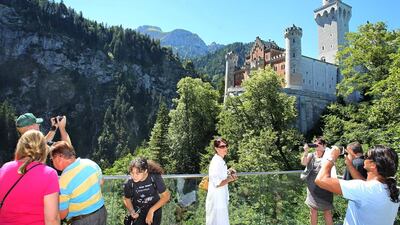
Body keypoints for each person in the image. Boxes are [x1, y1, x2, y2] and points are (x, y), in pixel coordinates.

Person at [315, 145, 399, 225]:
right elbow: (365, 183)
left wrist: (332, 157)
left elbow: (321, 180)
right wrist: (349, 165)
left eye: (366, 156)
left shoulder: (365, 190)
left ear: (373, 165)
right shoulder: (393, 192)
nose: (364, 158)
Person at [0, 130, 60, 225]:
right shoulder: (49, 174)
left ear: (20, 147)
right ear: (44, 149)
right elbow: (52, 220)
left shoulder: (4, 168)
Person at [50, 141, 106, 225]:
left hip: (82, 220)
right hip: (101, 212)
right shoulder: (90, 163)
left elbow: (62, 214)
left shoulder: (64, 180)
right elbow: (101, 182)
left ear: (59, 158)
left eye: (52, 159)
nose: (52, 162)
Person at [123, 157, 170, 225]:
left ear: (145, 171)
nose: (134, 176)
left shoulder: (155, 178)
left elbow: (166, 196)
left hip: (155, 210)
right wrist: (132, 211)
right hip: (138, 211)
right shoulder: (129, 183)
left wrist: (151, 211)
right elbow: (127, 199)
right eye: (132, 173)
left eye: (138, 173)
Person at [301, 137, 333, 225]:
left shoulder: (328, 155)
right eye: (316, 144)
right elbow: (303, 163)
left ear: (324, 145)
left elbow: (331, 166)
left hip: (325, 188)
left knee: (327, 211)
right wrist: (306, 151)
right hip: (312, 188)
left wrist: (325, 151)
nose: (317, 146)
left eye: (319, 144)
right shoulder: (311, 155)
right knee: (313, 211)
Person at [206, 137, 237, 225]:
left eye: (226, 146)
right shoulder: (216, 162)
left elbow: (220, 175)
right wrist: (230, 179)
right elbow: (217, 183)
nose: (225, 148)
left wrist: (228, 171)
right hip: (216, 201)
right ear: (216, 148)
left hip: (220, 199)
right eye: (222, 147)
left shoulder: (220, 160)